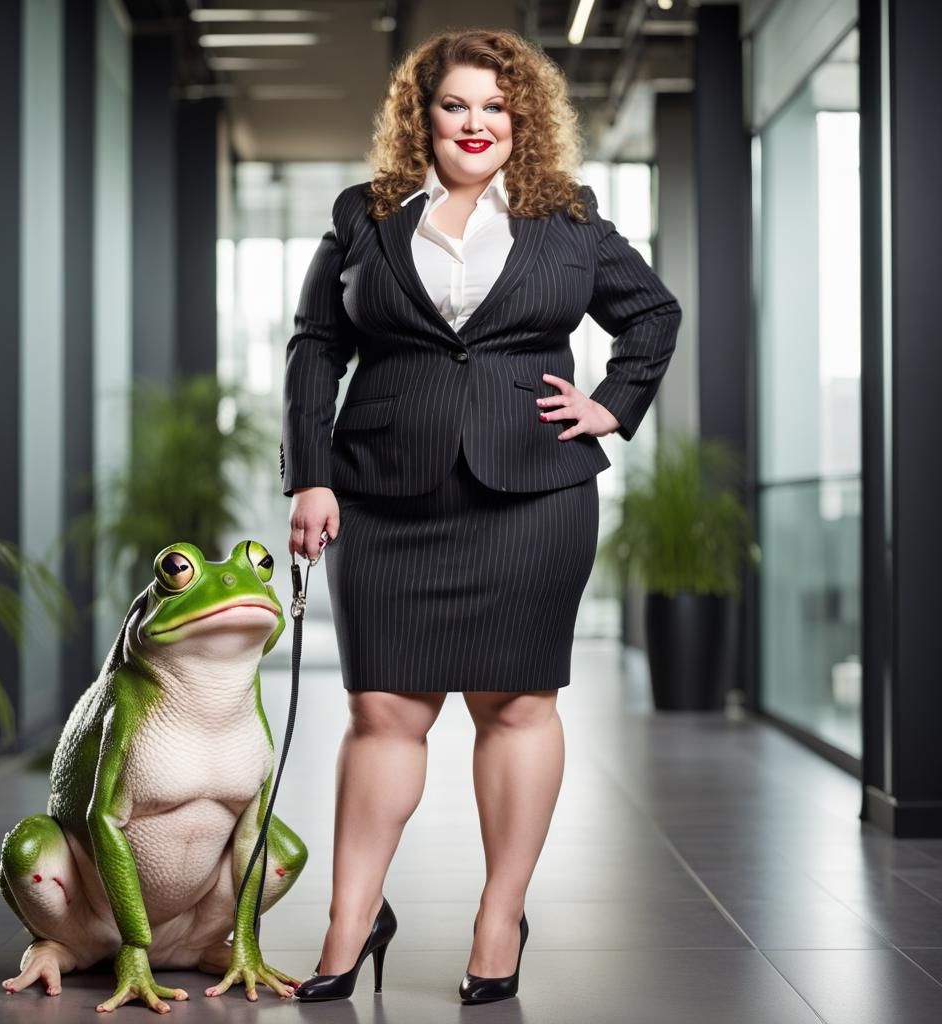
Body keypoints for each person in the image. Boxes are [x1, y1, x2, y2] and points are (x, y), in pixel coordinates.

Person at [280, 28, 681, 1004]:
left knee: (517, 704)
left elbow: (652, 314)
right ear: (420, 116)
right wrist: (310, 476)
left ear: (521, 118)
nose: (475, 123)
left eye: (495, 107)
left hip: (533, 493)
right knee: (383, 709)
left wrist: (612, 406)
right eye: (455, 104)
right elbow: (315, 345)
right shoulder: (366, 214)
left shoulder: (567, 214)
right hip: (384, 491)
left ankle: (500, 918)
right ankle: (350, 919)